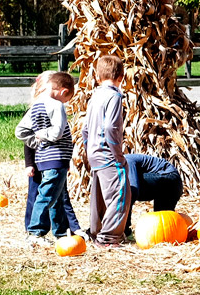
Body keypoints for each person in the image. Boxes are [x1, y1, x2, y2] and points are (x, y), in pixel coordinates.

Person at [15, 70, 76, 247]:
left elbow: (20, 131)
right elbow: (57, 132)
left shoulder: (36, 106)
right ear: (64, 91)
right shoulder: (57, 106)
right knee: (47, 196)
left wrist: (35, 141)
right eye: (67, 99)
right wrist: (42, 135)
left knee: (57, 197)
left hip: (43, 159)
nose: (66, 103)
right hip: (56, 158)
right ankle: (35, 232)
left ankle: (61, 232)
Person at [83, 54, 129, 247]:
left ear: (97, 76)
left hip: (94, 152)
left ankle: (96, 231)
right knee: (119, 195)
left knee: (99, 196)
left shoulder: (95, 96)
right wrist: (117, 154)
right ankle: (108, 238)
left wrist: (88, 150)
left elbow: (85, 129)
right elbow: (111, 127)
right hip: (107, 152)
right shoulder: (114, 96)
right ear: (121, 77)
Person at [123, 153, 183, 234]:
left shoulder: (127, 160)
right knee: (164, 228)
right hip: (171, 185)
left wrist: (123, 226)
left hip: (169, 180)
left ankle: (125, 231)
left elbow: (133, 191)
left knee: (127, 189)